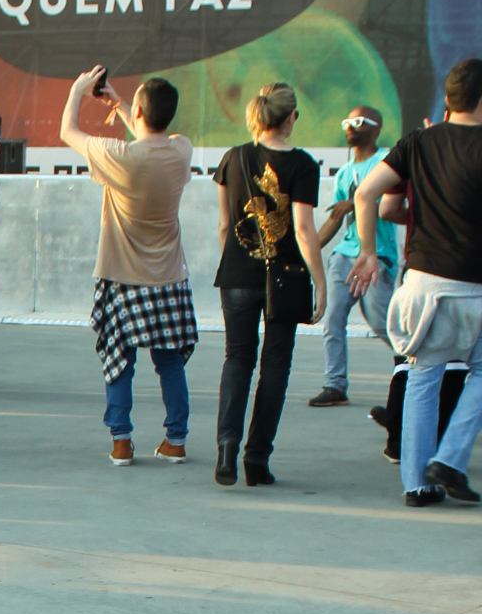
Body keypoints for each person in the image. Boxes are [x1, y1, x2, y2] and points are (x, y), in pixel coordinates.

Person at [352, 56, 482, 508]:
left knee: (422, 378)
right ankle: (449, 458)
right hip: (474, 288)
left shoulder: (418, 142)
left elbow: (369, 196)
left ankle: (417, 485)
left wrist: (368, 252)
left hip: (421, 286)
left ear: (448, 100)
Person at [60, 66, 197, 465]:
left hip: (122, 276)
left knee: (119, 359)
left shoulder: (120, 157)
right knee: (169, 362)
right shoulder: (181, 150)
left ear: (139, 111)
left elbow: (69, 132)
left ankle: (121, 441)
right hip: (169, 275)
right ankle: (176, 439)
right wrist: (121, 104)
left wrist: (77, 90)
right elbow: (149, 137)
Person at [212, 81, 325, 486]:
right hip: (286, 279)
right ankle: (256, 459)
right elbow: (304, 229)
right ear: (290, 117)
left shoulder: (233, 158)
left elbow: (226, 225)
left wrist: (239, 261)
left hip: (238, 276)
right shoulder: (304, 165)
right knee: (275, 365)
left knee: (237, 359)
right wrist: (320, 280)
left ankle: (226, 445)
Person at [309, 104, 397, 406]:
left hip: (375, 256)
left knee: (382, 322)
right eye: (347, 121)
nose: (350, 126)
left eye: (358, 122)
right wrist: (305, 252)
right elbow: (335, 218)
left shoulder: (385, 161)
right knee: (332, 318)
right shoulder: (345, 172)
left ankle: (416, 365)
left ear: (376, 128)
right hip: (344, 257)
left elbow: (388, 204)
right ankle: (335, 385)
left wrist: (354, 201)